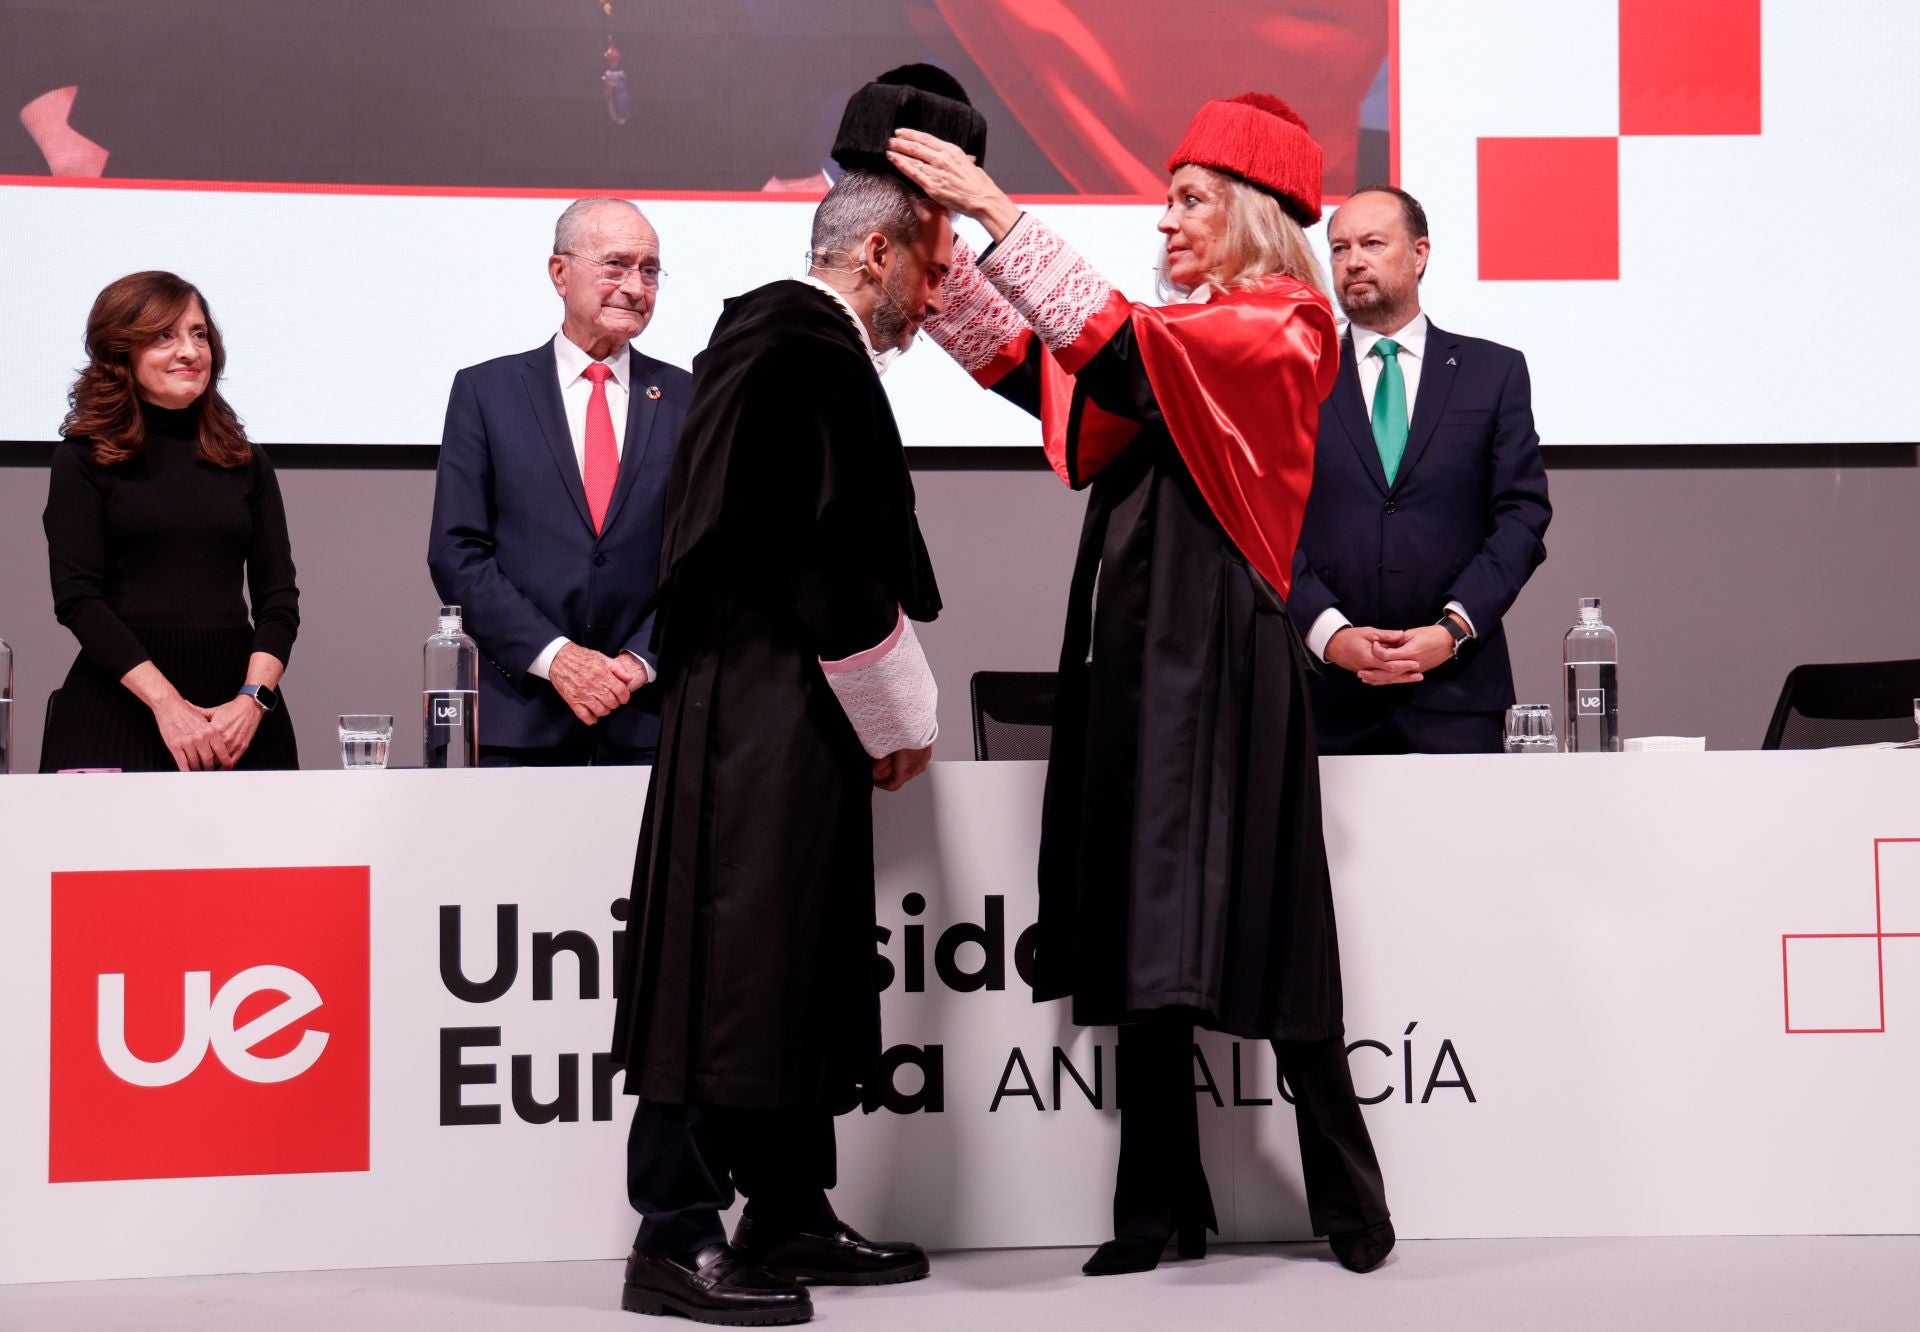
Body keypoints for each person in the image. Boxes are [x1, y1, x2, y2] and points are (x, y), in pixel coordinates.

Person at [889, 93, 1394, 1276]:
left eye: (1190, 201)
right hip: (1134, 657)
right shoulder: (1182, 339)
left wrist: (996, 210)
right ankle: (1161, 1208)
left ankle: (1349, 1199)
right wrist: (939, 261)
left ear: (1255, 215)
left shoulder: (1288, 327)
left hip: (1226, 659)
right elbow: (1048, 373)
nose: (1164, 223)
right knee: (1139, 920)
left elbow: (1115, 350)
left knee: (1271, 922)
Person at [608, 125, 962, 1320]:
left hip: (784, 703)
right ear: (877, 254)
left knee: (797, 953)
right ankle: (673, 1234)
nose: (939, 295)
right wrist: (900, 715)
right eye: (932, 269)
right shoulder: (799, 349)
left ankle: (789, 1208)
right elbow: (823, 557)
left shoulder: (785, 345)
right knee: (727, 961)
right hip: (756, 711)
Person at [1288, 185, 1552, 754]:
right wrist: (1329, 634)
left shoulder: (1493, 372)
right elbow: (1266, 523)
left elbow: (1522, 516)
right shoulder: (1294, 375)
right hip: (1324, 694)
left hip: (1457, 690)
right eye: (1339, 248)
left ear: (1419, 254)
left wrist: (1452, 630)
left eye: (1372, 243)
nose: (1353, 261)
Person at [429, 197, 690, 765]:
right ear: (560, 273)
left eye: (650, 271)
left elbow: (706, 558)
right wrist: (557, 658)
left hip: (649, 719)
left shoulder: (690, 399)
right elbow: (456, 552)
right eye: (615, 265)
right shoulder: (486, 392)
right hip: (521, 717)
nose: (635, 287)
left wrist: (639, 662)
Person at [42, 271, 299, 773]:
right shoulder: (82, 459)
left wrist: (253, 702)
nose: (189, 351)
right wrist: (167, 705)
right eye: (164, 335)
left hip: (239, 720)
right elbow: (77, 598)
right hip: (120, 709)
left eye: (199, 334)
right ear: (122, 352)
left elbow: (279, 602)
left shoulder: (247, 462)